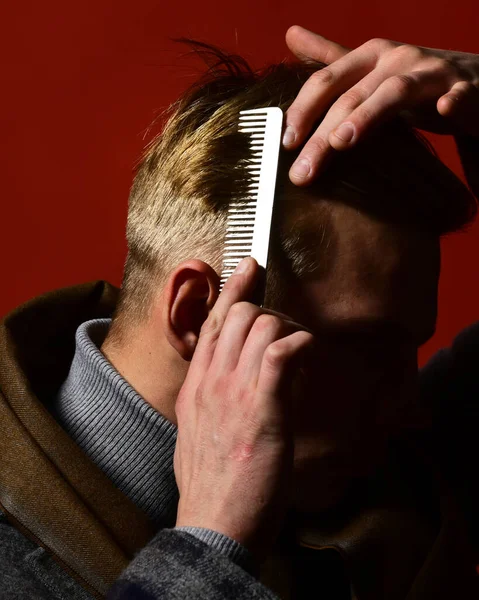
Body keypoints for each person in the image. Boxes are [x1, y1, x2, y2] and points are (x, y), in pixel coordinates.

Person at [0, 25, 478, 600]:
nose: (410, 409)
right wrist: (211, 546)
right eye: (367, 350)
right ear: (198, 313)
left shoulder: (384, 480)